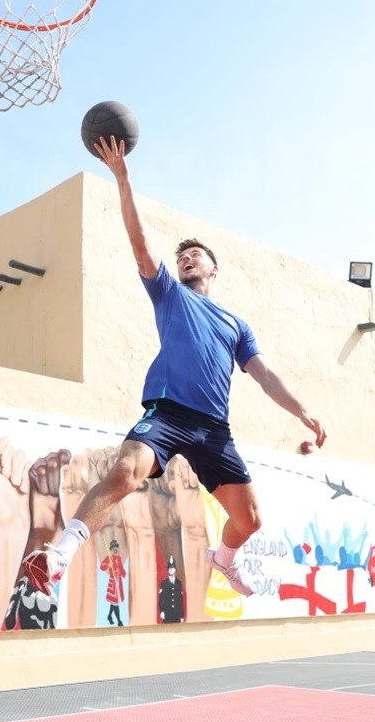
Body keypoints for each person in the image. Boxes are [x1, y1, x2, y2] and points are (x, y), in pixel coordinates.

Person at [23, 135, 326, 600]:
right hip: (167, 414)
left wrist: (302, 412)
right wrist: (123, 178)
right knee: (126, 472)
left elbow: (264, 375)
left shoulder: (234, 323)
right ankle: (60, 556)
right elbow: (140, 243)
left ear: (213, 269)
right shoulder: (169, 293)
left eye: (196, 255)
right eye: (182, 255)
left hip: (214, 431)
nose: (187, 257)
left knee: (249, 521)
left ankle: (223, 560)